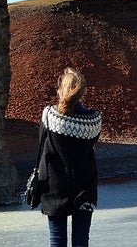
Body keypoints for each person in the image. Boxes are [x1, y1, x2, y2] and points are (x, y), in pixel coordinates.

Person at [37, 67, 102, 247]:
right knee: (81, 242)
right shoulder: (94, 119)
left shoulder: (49, 115)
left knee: (57, 241)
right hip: (85, 187)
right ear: (83, 92)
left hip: (53, 187)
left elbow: (42, 143)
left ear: (61, 89)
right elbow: (92, 143)